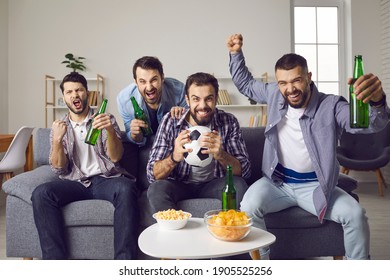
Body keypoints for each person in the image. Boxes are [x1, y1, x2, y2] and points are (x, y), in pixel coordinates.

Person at [226, 33, 390, 260]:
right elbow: (245, 83)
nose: (290, 89)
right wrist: (235, 53)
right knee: (249, 205)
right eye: (283, 82)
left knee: (356, 215)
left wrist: (378, 101)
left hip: (316, 188)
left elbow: (370, 125)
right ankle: (263, 266)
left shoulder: (331, 105)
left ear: (308, 77)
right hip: (277, 184)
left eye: (296, 80)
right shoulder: (275, 94)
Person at [31, 72, 139, 260]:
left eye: (79, 90)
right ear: (64, 97)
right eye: (69, 92)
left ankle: (124, 263)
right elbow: (59, 168)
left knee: (126, 188)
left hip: (105, 179)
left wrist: (110, 131)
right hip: (75, 181)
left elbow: (116, 157)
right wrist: (57, 140)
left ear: (87, 93)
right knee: (41, 193)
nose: (75, 95)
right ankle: (55, 265)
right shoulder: (59, 126)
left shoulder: (104, 118)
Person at [146, 72, 251, 212]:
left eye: (209, 99)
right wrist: (174, 157)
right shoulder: (171, 121)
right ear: (187, 100)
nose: (202, 106)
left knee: (238, 185)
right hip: (180, 184)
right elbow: (152, 175)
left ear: (216, 99)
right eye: (196, 99)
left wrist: (221, 155)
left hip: (214, 183)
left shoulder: (228, 121)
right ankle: (175, 230)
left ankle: (227, 229)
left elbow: (245, 171)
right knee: (157, 189)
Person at [117, 56, 187, 146]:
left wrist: (183, 115)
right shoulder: (124, 100)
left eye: (154, 80)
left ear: (162, 78)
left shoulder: (180, 91)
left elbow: (191, 126)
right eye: (142, 81)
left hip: (173, 140)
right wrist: (135, 134)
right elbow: (133, 138)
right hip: (145, 143)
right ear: (135, 82)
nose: (149, 87)